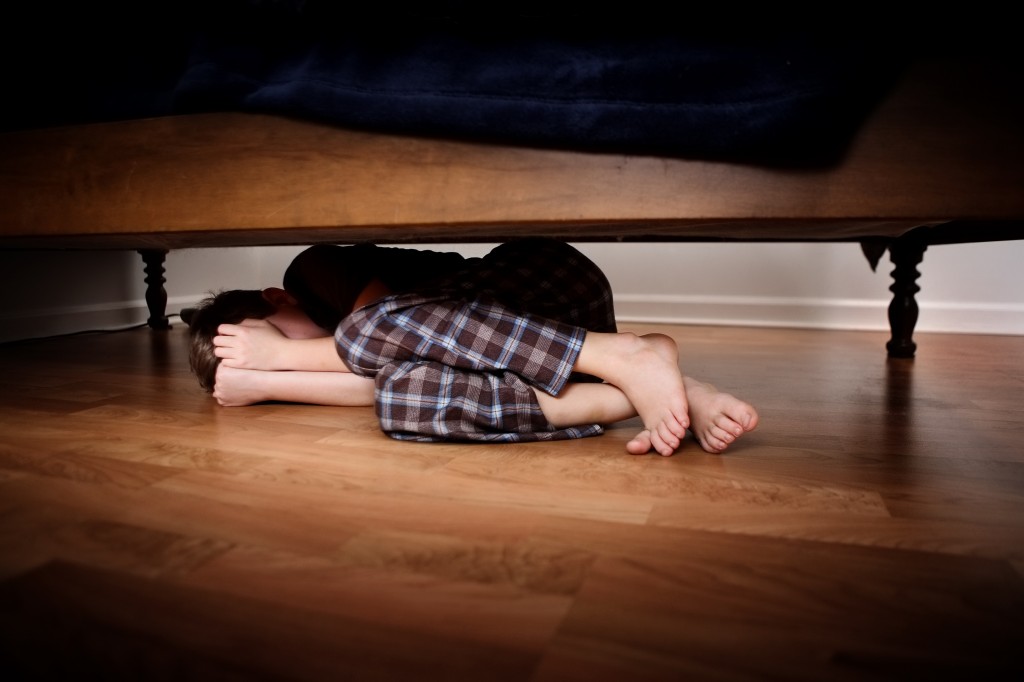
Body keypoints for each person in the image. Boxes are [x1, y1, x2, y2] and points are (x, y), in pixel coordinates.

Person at [187, 239, 758, 455]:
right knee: (398, 402)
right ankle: (644, 387)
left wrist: (278, 365)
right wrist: (267, 381)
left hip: (547, 282)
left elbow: (404, 330)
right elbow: (401, 374)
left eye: (267, 336)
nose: (275, 351)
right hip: (552, 357)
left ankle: (623, 360)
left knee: (364, 335)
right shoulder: (299, 356)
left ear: (276, 299)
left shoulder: (312, 270)